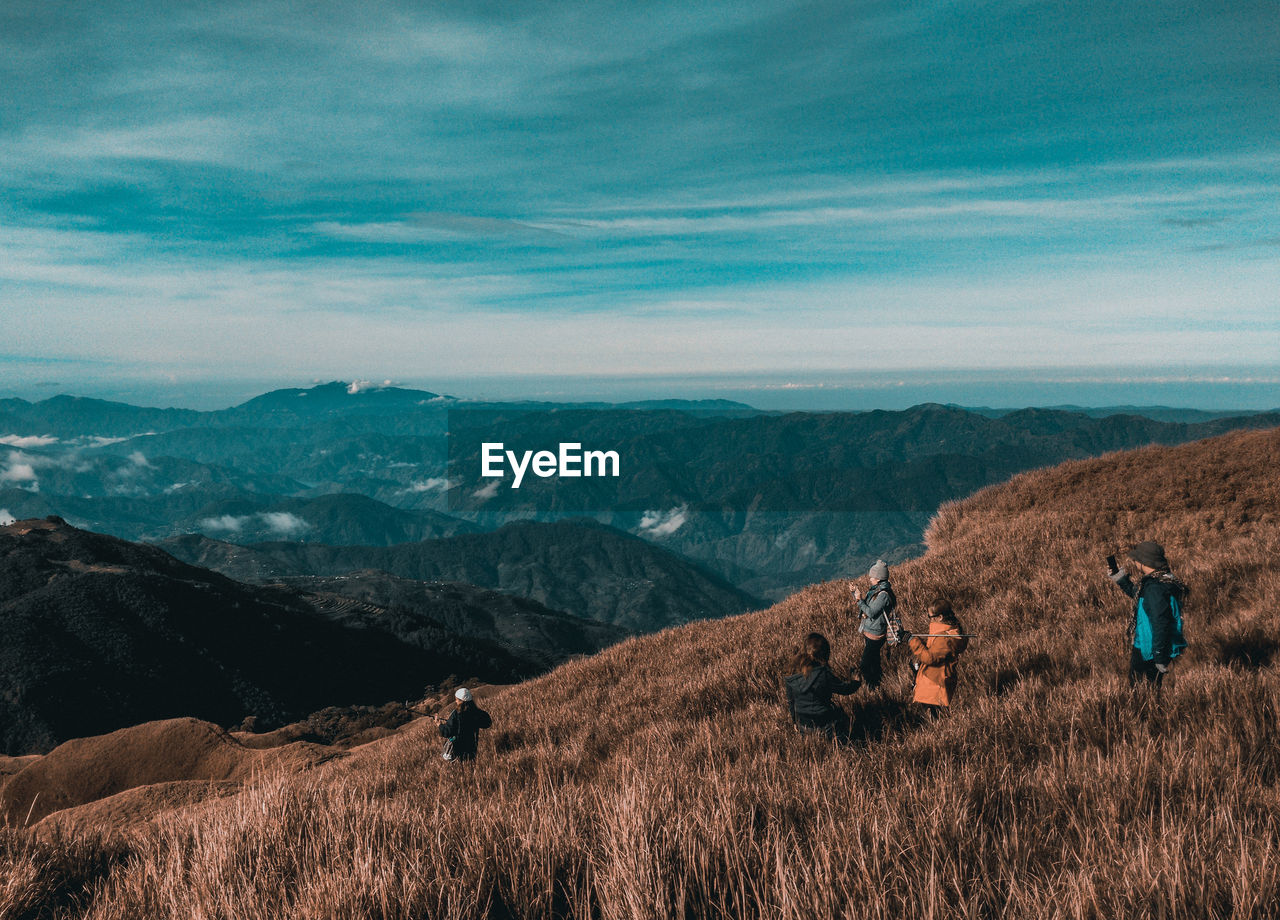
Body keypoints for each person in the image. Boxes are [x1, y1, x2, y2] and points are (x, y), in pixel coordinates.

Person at [1109, 540, 1187, 687]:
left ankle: (1146, 710)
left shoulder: (1154, 588)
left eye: (1136, 559)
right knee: (1150, 687)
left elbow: (1160, 622)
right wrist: (1120, 578)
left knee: (1141, 690)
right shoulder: (1163, 580)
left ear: (1144, 562)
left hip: (1149, 648)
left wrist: (1158, 656)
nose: (1135, 561)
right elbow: (1140, 597)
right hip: (1153, 646)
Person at [784, 632, 861, 737]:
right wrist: (856, 682)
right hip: (826, 725)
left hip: (803, 726)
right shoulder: (823, 674)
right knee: (844, 718)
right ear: (825, 654)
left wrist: (795, 722)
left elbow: (791, 702)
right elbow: (845, 690)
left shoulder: (792, 674)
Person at [906, 600, 969, 716]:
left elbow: (930, 658)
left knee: (936, 715)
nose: (929, 619)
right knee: (935, 714)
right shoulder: (943, 632)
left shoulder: (945, 638)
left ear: (940, 617)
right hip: (935, 680)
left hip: (936, 682)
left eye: (930, 616)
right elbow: (933, 648)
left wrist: (913, 641)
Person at [850, 560, 898, 689]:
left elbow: (870, 612)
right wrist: (856, 595)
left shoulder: (883, 595)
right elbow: (868, 608)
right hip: (870, 631)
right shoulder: (877, 590)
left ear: (878, 578)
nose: (870, 578)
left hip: (875, 634)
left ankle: (871, 685)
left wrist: (859, 599)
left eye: (872, 576)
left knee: (865, 664)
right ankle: (877, 683)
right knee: (874, 660)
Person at [434, 687, 492, 762]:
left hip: (457, 747)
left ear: (461, 701)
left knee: (460, 766)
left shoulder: (456, 714)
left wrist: (439, 724)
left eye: (457, 699)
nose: (456, 701)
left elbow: (447, 732)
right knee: (471, 764)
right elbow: (487, 723)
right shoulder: (476, 712)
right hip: (472, 745)